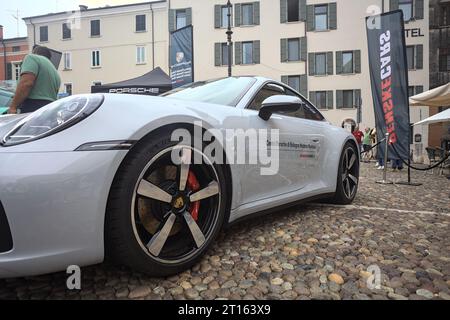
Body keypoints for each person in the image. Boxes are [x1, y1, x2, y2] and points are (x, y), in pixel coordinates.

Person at [8, 45, 61, 114]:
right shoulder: (54, 71)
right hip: (49, 109)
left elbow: (26, 83)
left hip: (32, 107)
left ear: (34, 53)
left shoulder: (32, 58)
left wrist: (13, 107)